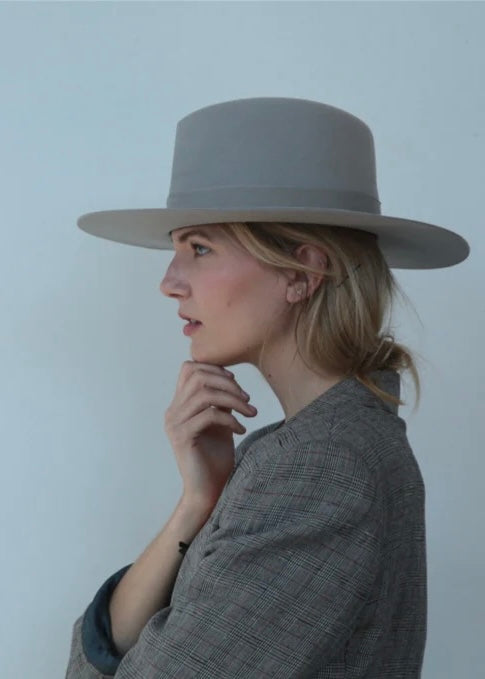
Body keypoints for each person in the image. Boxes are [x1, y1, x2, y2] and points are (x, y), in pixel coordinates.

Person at [65, 97, 469, 678]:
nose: (169, 282)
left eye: (199, 248)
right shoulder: (309, 447)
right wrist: (197, 504)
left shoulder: (320, 468)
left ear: (302, 273)